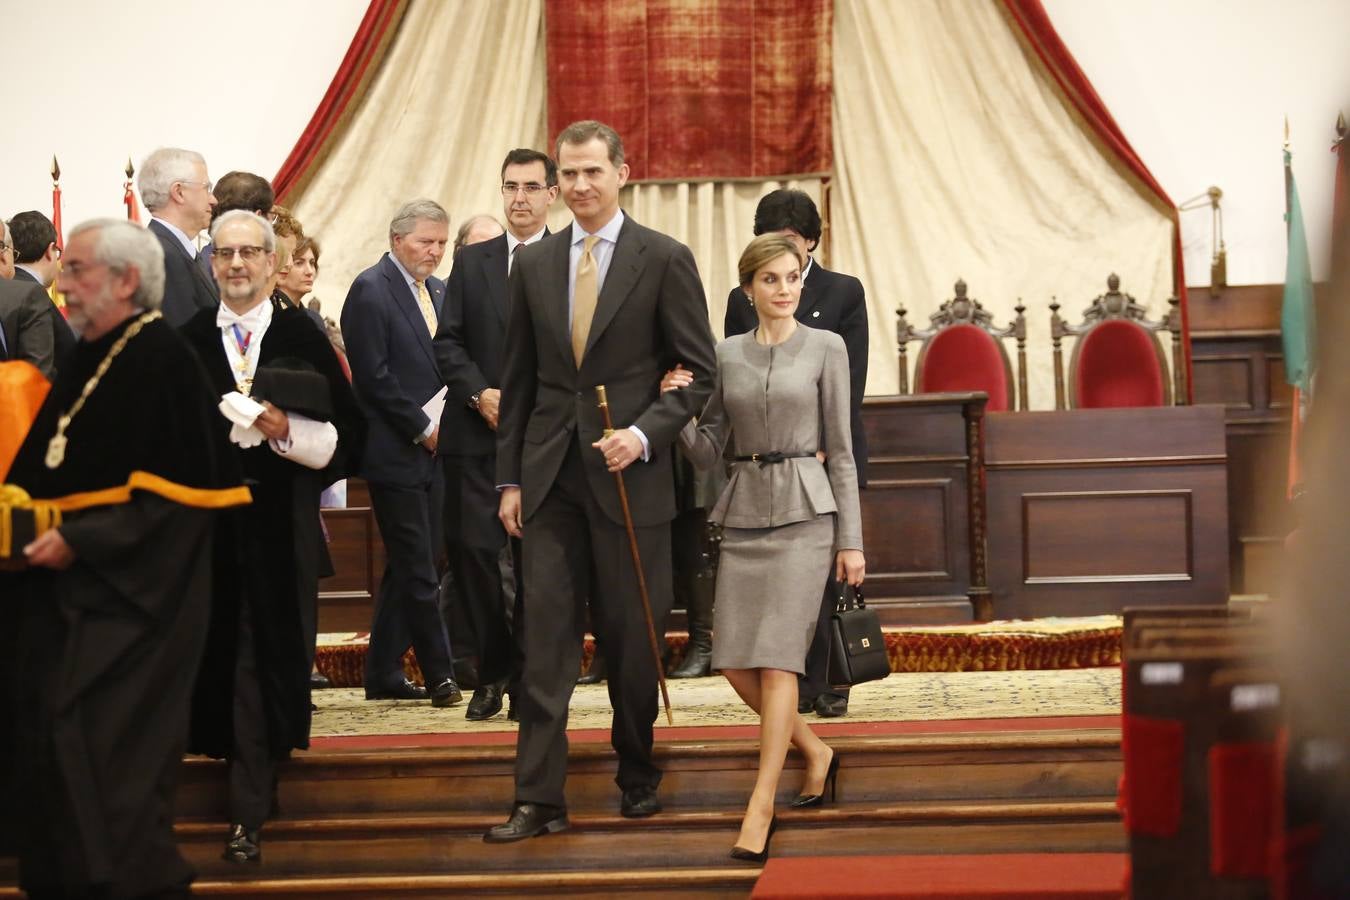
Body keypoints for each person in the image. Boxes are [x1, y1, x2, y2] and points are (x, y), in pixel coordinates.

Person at [2, 217, 249, 898]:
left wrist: (79, 538)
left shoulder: (163, 360)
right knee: (53, 757)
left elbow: (182, 503)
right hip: (67, 609)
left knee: (108, 769)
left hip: (135, 615)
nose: (64, 285)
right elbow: (42, 468)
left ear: (126, 279)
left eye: (77, 270)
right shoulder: (88, 356)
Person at [486, 120, 716, 842]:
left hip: (630, 481)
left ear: (622, 172)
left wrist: (645, 433)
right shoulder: (535, 264)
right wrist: (508, 482)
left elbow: (699, 371)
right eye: (569, 174)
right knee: (545, 642)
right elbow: (518, 382)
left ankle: (638, 771)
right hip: (550, 478)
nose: (580, 186)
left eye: (593, 172)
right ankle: (538, 799)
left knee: (630, 637)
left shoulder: (664, 258)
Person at [672, 232, 864, 861]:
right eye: (772, 280)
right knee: (733, 658)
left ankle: (760, 803)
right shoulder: (726, 355)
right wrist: (675, 413)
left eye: (793, 277)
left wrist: (851, 540)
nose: (785, 290)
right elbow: (709, 449)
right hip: (746, 508)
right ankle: (814, 749)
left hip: (809, 515)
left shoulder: (827, 347)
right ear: (748, 288)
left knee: (779, 660)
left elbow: (841, 450)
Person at [180, 210, 364, 863]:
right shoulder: (189, 339)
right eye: (224, 254)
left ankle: (254, 797)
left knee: (267, 661)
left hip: (282, 529)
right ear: (212, 264)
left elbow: (349, 439)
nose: (236, 265)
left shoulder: (300, 334)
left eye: (248, 254)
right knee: (231, 664)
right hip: (210, 535)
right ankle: (247, 802)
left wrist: (285, 427)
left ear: (269, 260)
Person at [722, 188, 869, 719]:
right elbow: (735, 392)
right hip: (758, 476)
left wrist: (821, 448)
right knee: (763, 622)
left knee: (824, 592)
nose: (783, 276)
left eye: (792, 252)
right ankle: (795, 707)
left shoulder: (843, 293)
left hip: (820, 461)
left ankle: (831, 682)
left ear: (810, 241)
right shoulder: (740, 305)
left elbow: (848, 388)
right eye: (770, 253)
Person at [435, 149, 557, 721]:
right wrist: (478, 393)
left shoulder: (568, 259)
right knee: (476, 560)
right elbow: (448, 342)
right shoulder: (473, 261)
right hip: (476, 436)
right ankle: (494, 669)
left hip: (543, 440)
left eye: (532, 187)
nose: (520, 198)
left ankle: (532, 676)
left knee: (537, 567)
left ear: (552, 194)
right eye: (511, 187)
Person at [341, 199, 462, 706]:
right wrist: (422, 429)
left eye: (440, 243)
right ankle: (441, 676)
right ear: (396, 240)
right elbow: (373, 378)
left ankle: (382, 671)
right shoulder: (370, 290)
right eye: (424, 242)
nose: (434, 252)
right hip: (397, 452)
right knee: (415, 566)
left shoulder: (436, 289)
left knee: (418, 563)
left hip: (440, 451)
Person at [140, 147, 220, 327]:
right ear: (179, 192)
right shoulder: (164, 257)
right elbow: (186, 340)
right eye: (207, 188)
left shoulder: (173, 250)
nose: (213, 200)